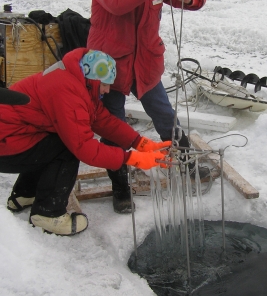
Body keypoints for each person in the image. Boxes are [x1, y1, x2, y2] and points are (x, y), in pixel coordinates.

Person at [87, 0, 208, 213]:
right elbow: (115, 0)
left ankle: (186, 163)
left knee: (166, 116)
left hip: (145, 62)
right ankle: (120, 186)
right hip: (109, 66)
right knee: (113, 127)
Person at [0, 48, 171, 236]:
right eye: (105, 85)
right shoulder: (67, 92)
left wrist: (139, 142)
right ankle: (48, 214)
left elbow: (102, 120)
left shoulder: (77, 81)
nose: (107, 90)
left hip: (16, 136)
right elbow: (84, 148)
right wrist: (131, 158)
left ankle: (25, 194)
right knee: (66, 148)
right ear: (94, 78)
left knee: (51, 143)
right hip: (6, 145)